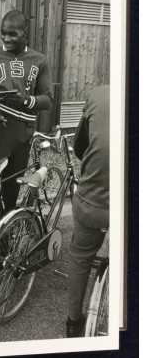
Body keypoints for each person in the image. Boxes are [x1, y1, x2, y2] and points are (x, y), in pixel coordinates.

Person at [0, 9, 53, 211]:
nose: (6, 38)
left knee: (11, 192)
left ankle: (5, 241)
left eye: (12, 34)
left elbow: (48, 100)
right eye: (3, 33)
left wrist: (27, 100)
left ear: (25, 32)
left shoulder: (39, 60)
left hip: (23, 133)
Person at [66, 84, 110, 337]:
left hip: (92, 200)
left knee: (80, 257)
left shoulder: (97, 93)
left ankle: (73, 322)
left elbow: (80, 146)